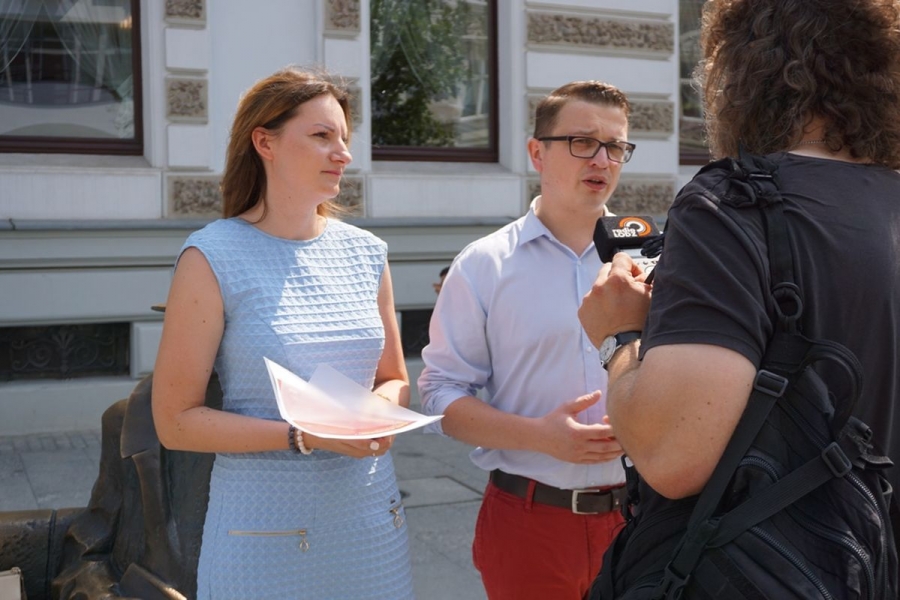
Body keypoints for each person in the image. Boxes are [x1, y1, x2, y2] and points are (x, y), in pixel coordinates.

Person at [578, 0, 900, 551]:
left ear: (740, 72)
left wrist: (618, 335)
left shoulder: (732, 203)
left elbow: (672, 458)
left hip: (794, 569)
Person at [151, 67, 414, 599]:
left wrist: (379, 414)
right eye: (321, 135)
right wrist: (304, 436)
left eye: (344, 138)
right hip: (262, 534)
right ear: (264, 142)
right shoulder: (213, 255)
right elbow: (175, 422)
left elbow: (394, 378)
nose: (343, 153)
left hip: (371, 525)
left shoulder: (367, 253)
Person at [418, 80, 636, 599]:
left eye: (615, 146)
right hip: (530, 521)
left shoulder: (651, 261)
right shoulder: (485, 264)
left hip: (640, 519)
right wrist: (540, 436)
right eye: (582, 142)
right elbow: (440, 395)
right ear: (537, 152)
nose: (601, 160)